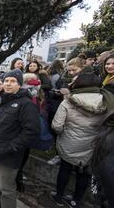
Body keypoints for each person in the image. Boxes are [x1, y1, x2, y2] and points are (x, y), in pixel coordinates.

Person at [50, 72, 107, 208]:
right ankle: (76, 201)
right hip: (93, 145)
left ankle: (58, 197)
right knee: (84, 174)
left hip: (69, 142)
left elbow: (56, 125)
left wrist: (64, 133)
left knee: (65, 169)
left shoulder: (69, 100)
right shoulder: (107, 101)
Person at [0, 69, 40, 208]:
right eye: (6, 81)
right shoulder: (2, 101)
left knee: (7, 190)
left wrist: (11, 147)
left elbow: (31, 131)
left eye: (13, 81)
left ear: (19, 84)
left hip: (9, 156)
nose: (8, 84)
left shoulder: (27, 104)